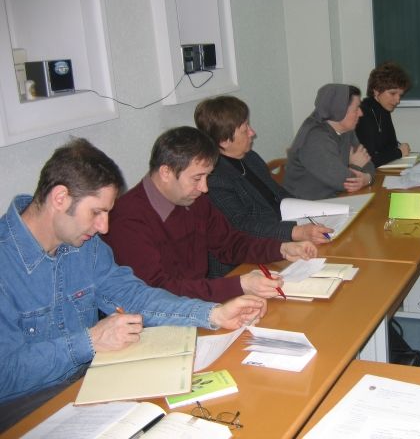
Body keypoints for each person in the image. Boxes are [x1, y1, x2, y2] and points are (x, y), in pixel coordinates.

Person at [0, 138, 267, 431]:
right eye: (97, 212)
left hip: (90, 384)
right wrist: (89, 341)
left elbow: (134, 297)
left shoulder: (84, 245)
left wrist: (212, 313)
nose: (104, 227)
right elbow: (4, 374)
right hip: (23, 407)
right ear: (60, 198)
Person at [103, 126, 317, 302]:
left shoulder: (192, 198)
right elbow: (158, 291)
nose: (204, 188)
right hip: (160, 320)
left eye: (207, 177)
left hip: (199, 303)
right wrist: (239, 285)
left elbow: (230, 244)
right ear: (166, 172)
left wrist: (281, 248)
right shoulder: (127, 219)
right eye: (197, 178)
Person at [194, 97, 331, 276]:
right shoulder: (213, 177)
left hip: (278, 241)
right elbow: (243, 225)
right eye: (245, 129)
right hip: (243, 263)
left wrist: (314, 212)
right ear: (224, 141)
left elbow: (278, 194)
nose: (252, 133)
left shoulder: (250, 158)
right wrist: (295, 232)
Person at [284, 83, 376, 199]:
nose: (361, 113)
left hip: (334, 198)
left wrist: (367, 179)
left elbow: (368, 163)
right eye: (356, 108)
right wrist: (356, 165)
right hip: (306, 205)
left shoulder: (346, 130)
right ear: (340, 110)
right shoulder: (314, 138)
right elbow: (345, 182)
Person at [356, 62, 412, 167]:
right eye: (392, 93)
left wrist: (397, 151)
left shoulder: (384, 110)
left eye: (400, 95)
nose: (398, 100)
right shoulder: (363, 114)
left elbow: (392, 146)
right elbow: (369, 160)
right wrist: (399, 152)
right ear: (376, 91)